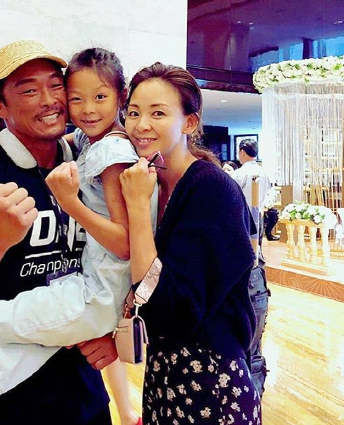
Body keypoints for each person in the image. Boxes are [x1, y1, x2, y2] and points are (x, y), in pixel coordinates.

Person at [0, 46, 153, 425]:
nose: (87, 109)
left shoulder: (112, 153)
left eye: (100, 97)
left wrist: (69, 203)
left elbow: (125, 244)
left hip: (96, 295)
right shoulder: (87, 142)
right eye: (76, 98)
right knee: (10, 334)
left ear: (121, 97)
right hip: (89, 292)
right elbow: (61, 143)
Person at [119, 63, 261, 424]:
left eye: (158, 113)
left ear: (189, 122)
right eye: (133, 113)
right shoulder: (155, 183)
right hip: (165, 372)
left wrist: (137, 208)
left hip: (209, 380)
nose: (141, 124)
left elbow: (173, 309)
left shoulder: (209, 189)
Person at [232, 138, 271, 243]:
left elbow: (232, 195)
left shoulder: (240, 173)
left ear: (242, 152)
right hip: (259, 215)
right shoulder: (264, 173)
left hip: (243, 217)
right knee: (257, 246)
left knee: (244, 247)